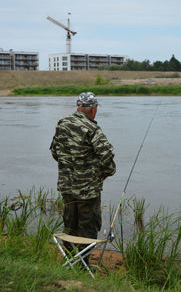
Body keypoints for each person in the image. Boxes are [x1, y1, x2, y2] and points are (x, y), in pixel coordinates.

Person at [50, 92, 116, 259]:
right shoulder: (92, 128)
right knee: (88, 228)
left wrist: (68, 168)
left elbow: (54, 151)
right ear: (93, 109)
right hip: (88, 192)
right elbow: (107, 154)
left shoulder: (62, 123)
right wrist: (106, 173)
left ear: (79, 107)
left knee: (70, 226)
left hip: (66, 188)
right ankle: (83, 264)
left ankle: (71, 260)